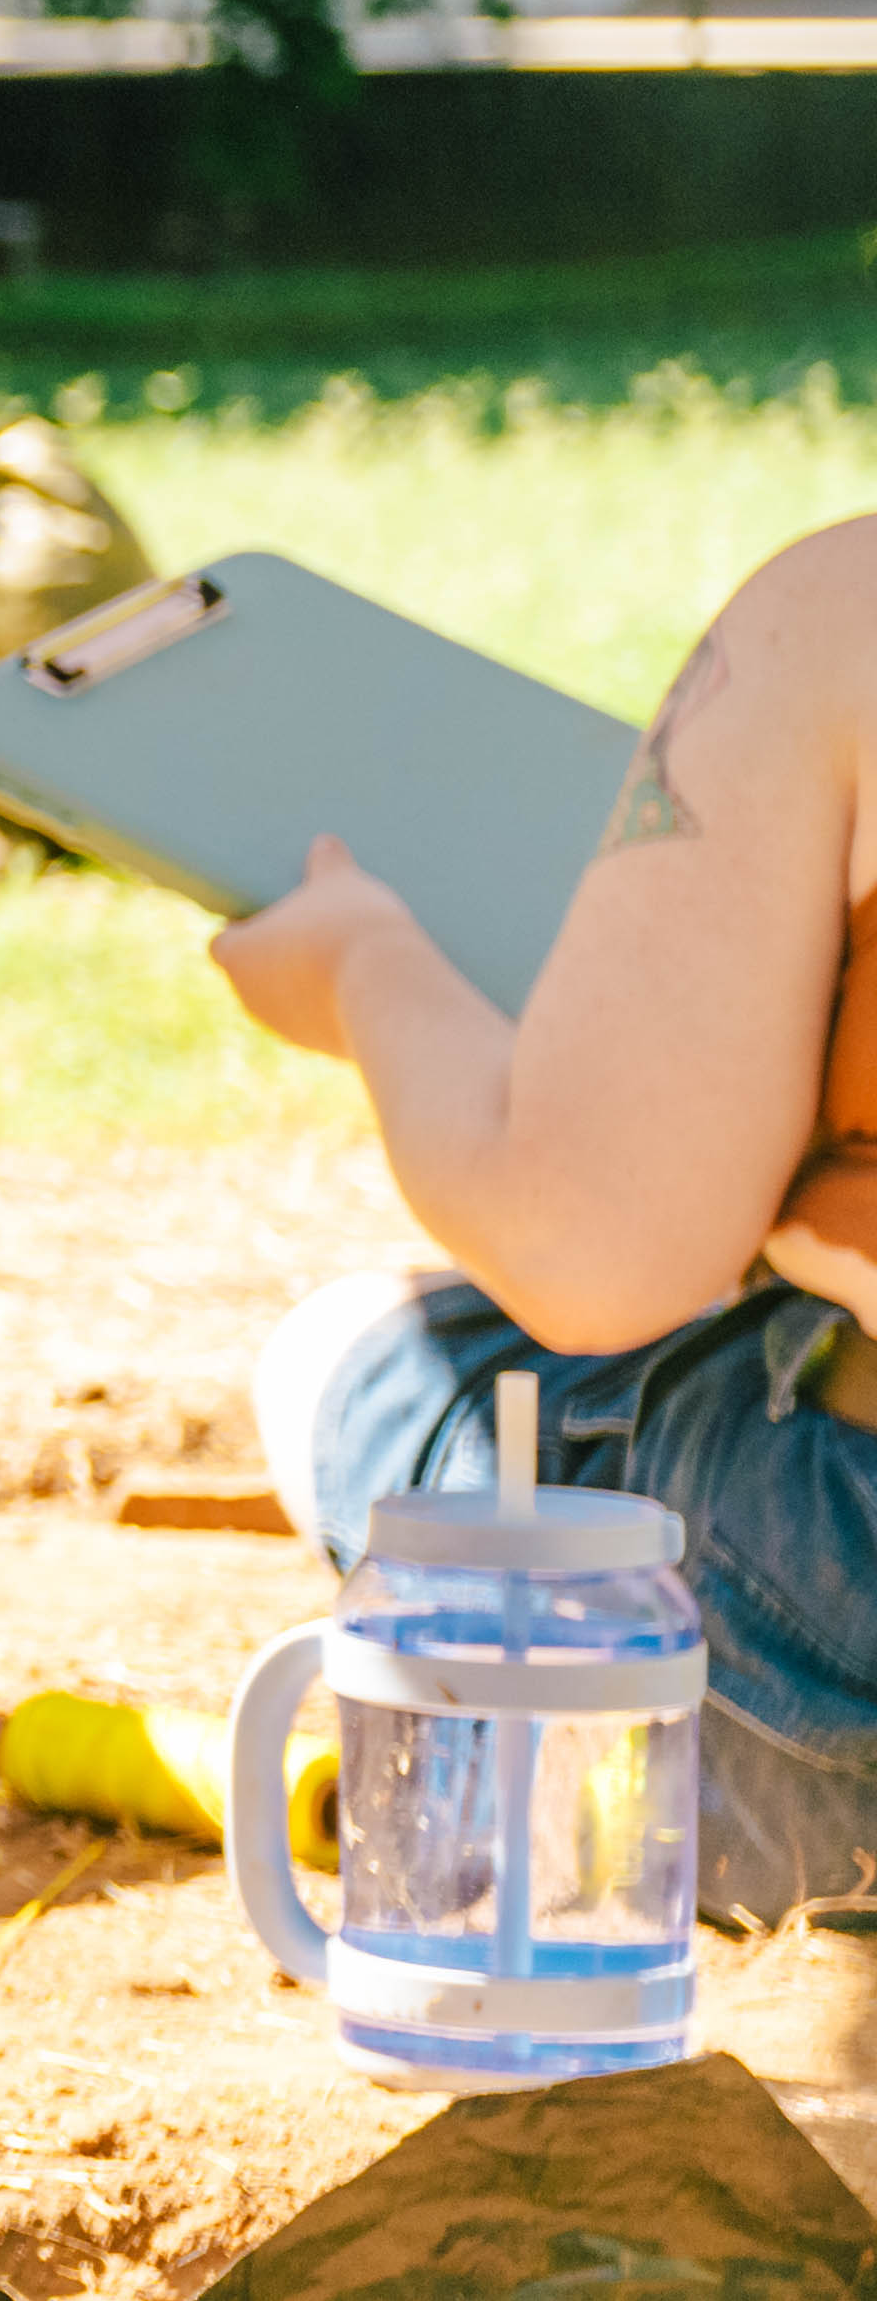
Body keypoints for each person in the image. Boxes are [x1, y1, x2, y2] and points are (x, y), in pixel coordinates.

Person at [216, 530, 877, 1908]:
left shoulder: (835, 616)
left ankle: (625, 1802)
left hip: (844, 1592)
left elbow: (588, 1246)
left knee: (369, 1360)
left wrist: (362, 964)